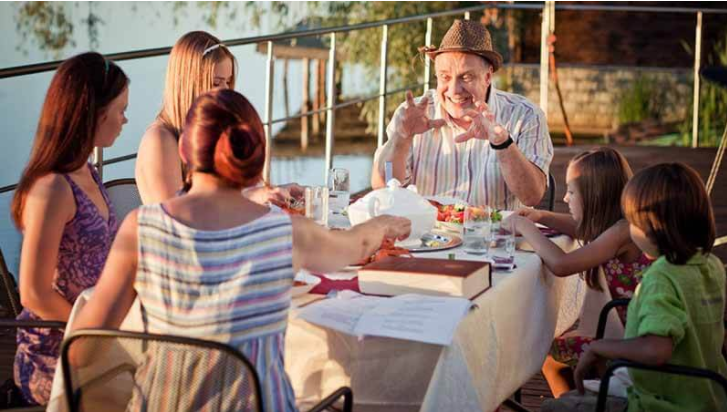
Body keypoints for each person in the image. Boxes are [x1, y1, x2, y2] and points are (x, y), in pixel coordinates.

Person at [71, 89, 411, 411]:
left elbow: (81, 351)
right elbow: (355, 246)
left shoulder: (140, 228)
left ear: (185, 152)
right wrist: (382, 225)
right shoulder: (286, 233)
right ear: (256, 153)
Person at [543, 162, 727, 412]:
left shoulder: (661, 277)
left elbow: (655, 350)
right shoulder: (712, 264)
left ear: (652, 229)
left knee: (555, 409)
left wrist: (600, 347)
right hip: (709, 393)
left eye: (632, 222)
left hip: (660, 400)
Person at [8, 52, 129, 405]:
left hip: (95, 333)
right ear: (94, 113)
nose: (125, 119)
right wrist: (98, 330)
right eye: (120, 109)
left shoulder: (86, 169)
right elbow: (32, 292)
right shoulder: (52, 188)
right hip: (58, 353)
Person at [504, 147, 652, 397]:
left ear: (595, 195)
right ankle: (580, 398)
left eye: (571, 192)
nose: (565, 198)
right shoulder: (618, 224)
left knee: (548, 354)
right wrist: (542, 216)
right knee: (557, 351)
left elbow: (562, 265)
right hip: (637, 334)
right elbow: (583, 228)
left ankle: (575, 402)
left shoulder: (621, 232)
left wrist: (526, 227)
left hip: (640, 346)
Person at [371, 19, 553, 210]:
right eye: (445, 77)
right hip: (429, 235)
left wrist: (503, 143)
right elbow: (382, 187)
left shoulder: (525, 115)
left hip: (496, 236)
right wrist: (401, 138)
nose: (454, 90)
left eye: (466, 77)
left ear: (488, 76)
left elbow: (532, 196)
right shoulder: (412, 114)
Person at [135, 30, 300, 206]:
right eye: (216, 82)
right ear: (187, 83)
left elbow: (220, 197)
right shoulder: (160, 140)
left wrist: (273, 192)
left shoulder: (207, 131)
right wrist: (253, 197)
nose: (225, 90)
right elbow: (178, 217)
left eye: (228, 81)